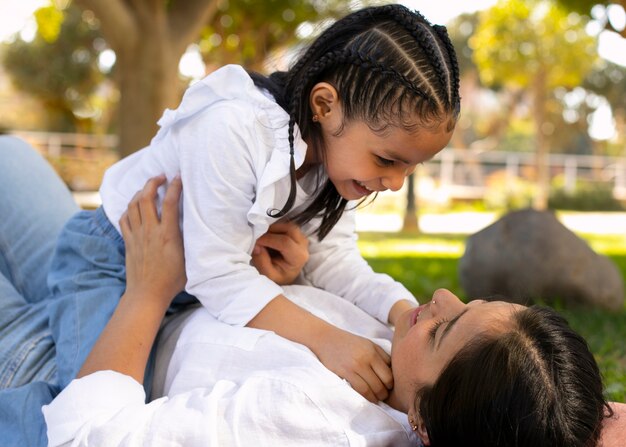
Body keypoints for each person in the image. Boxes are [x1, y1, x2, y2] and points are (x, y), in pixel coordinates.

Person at [1, 137, 624, 446]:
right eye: (475, 302)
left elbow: (90, 438)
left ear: (422, 424)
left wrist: (148, 288)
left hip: (80, 357)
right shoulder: (441, 377)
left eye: (445, 328)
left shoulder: (314, 423)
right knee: (9, 159)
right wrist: (290, 277)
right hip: (144, 288)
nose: (439, 299)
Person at [45, 2, 461, 411]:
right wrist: (328, 340)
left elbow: (333, 261)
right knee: (94, 406)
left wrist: (407, 313)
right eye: (387, 160)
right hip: (115, 263)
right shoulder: (236, 129)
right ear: (325, 106)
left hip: (186, 287)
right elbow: (219, 274)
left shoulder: (332, 168)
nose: (393, 183)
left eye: (411, 167)